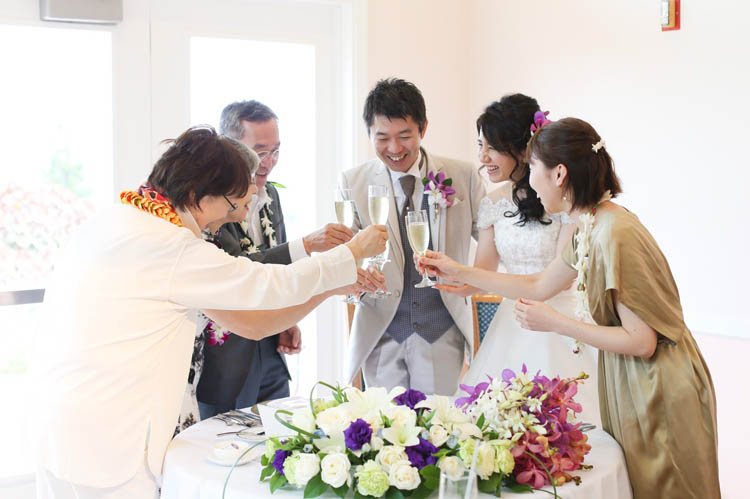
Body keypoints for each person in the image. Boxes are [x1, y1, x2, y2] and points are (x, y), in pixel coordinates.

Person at [31, 125, 387, 497]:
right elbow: (266, 284)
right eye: (231, 206)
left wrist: (332, 287)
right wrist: (351, 252)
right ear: (197, 195)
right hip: (110, 446)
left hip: (59, 430)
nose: (229, 220)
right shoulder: (171, 247)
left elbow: (252, 324)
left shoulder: (115, 221)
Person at [418, 118, 720, 498]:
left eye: (533, 169)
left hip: (659, 385)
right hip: (633, 378)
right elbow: (538, 285)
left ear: (559, 173)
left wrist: (557, 323)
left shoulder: (614, 232)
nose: (530, 183)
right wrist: (458, 270)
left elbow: (642, 341)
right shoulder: (592, 224)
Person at [439, 94, 600, 426]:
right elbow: (483, 271)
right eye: (480, 146)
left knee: (563, 421)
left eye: (493, 148)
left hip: (560, 320)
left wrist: (464, 273)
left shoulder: (562, 201)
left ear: (523, 149)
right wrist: (451, 278)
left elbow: (559, 279)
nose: (483, 158)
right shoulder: (493, 203)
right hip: (511, 323)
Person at [196, 100, 355, 419]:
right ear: (229, 146)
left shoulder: (272, 195)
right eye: (259, 151)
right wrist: (306, 245)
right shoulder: (211, 202)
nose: (268, 163)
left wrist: (287, 319)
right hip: (228, 357)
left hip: (271, 351)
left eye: (275, 151)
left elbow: (276, 263)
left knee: (279, 435)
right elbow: (239, 270)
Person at [339, 78, 485, 395]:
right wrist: (355, 275)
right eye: (382, 138)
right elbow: (345, 252)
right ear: (369, 134)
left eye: (405, 136)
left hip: (441, 330)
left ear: (423, 129)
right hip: (381, 332)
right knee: (383, 423)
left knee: (439, 422)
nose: (394, 149)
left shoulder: (462, 176)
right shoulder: (353, 182)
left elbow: (492, 242)